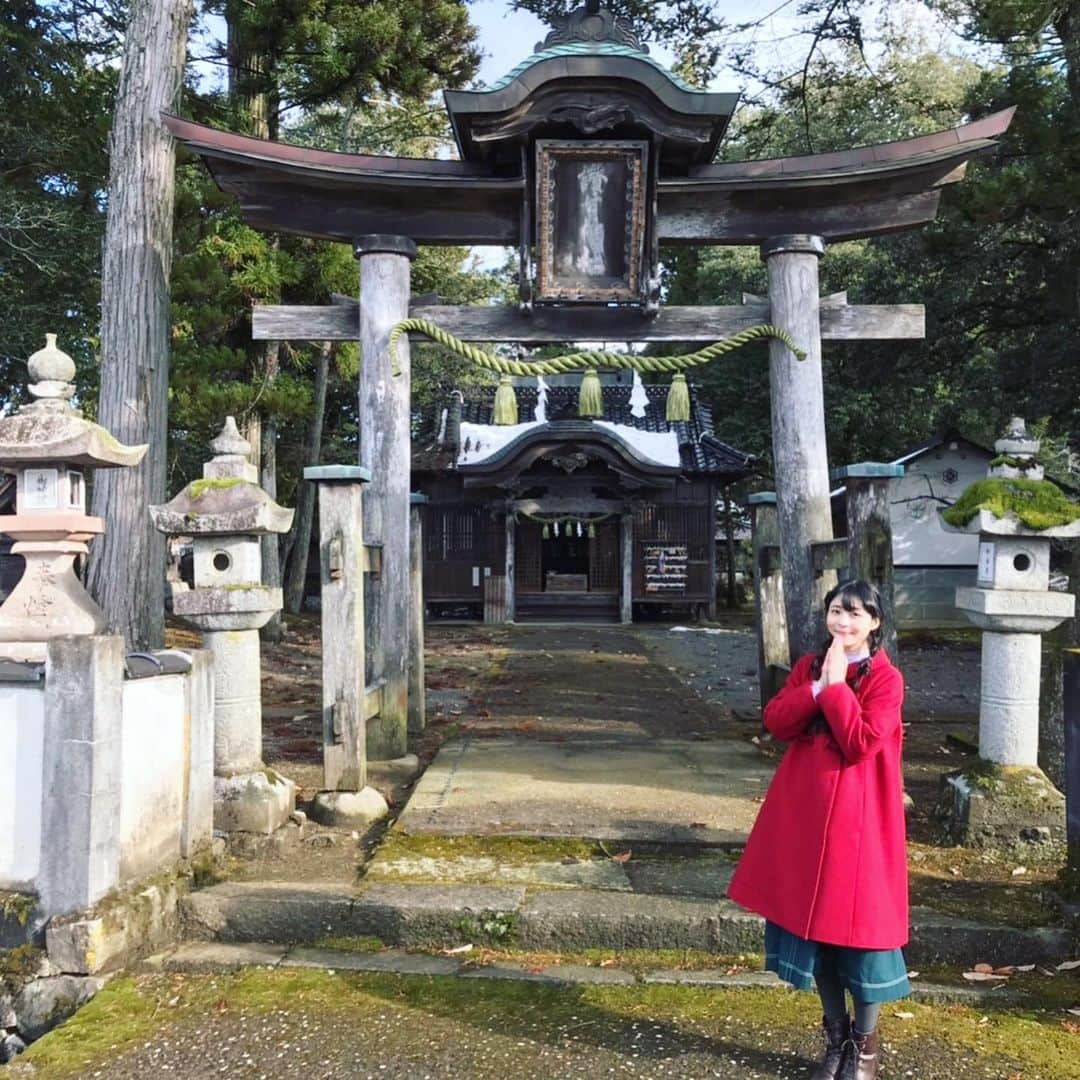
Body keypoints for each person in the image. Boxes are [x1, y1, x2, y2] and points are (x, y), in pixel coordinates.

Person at [728, 580, 908, 1080]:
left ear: (875, 622)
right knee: (816, 934)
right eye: (835, 611)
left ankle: (864, 1048)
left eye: (854, 613)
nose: (842, 622)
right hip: (805, 816)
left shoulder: (886, 680)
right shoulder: (810, 666)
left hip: (860, 824)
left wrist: (834, 691)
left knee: (862, 937)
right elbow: (777, 722)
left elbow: (860, 741)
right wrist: (815, 686)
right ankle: (834, 1039)